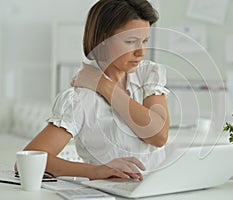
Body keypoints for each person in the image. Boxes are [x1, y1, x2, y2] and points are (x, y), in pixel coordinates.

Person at [17, 0, 170, 181]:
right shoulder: (81, 99)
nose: (141, 52)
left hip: (159, 190)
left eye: (145, 41)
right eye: (131, 41)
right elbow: (27, 160)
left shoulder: (147, 75)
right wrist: (95, 171)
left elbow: (158, 136)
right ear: (104, 40)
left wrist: (105, 87)